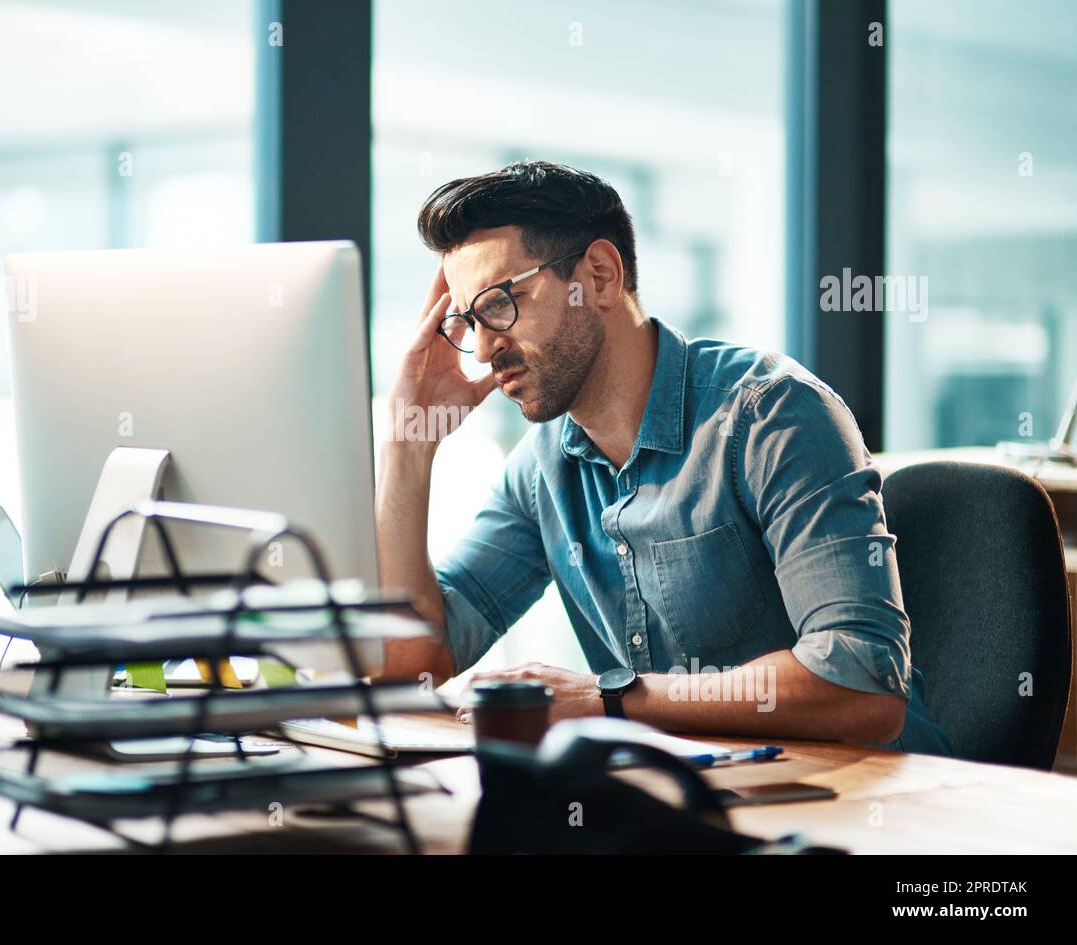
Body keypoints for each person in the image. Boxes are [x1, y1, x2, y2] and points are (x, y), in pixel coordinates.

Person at [374, 159, 951, 754]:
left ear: (599, 275)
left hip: (870, 804)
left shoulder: (770, 416)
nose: (483, 349)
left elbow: (862, 686)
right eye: (467, 321)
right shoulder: (542, 467)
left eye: (498, 303)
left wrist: (610, 699)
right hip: (701, 801)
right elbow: (410, 661)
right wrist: (405, 448)